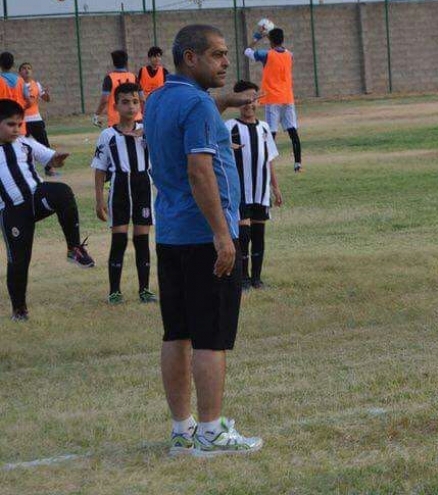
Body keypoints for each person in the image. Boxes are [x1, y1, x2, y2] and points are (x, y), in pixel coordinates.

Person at [143, 23, 262, 456]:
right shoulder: (196, 105)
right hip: (203, 237)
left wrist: (225, 101)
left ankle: (183, 429)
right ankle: (211, 433)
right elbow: (200, 170)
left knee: (176, 333)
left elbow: (193, 110)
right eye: (217, 54)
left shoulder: (158, 99)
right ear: (190, 58)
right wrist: (221, 235)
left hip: (171, 235)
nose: (226, 62)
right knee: (211, 337)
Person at [0, 99, 95, 320]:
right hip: (12, 210)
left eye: (19, 124)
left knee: (62, 192)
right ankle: (19, 309)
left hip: (35, 197)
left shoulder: (25, 143)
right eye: (10, 124)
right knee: (19, 261)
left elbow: (51, 160)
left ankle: (74, 248)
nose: (16, 129)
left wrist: (57, 159)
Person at [92, 82, 155, 305]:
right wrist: (99, 199)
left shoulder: (148, 131)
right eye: (125, 102)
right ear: (115, 105)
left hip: (142, 187)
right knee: (118, 239)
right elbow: (100, 169)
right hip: (119, 187)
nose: (131, 106)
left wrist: (147, 129)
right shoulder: (107, 136)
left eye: (135, 102)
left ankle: (145, 289)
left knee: (141, 239)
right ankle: (115, 291)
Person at [226, 80, 282, 290]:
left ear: (258, 101)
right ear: (237, 102)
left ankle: (257, 278)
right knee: (244, 235)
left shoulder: (265, 128)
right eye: (244, 100)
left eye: (253, 99)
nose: (249, 104)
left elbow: (269, 160)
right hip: (240, 192)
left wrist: (275, 188)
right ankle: (243, 279)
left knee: (259, 234)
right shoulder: (229, 127)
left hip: (260, 192)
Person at [245, 27, 301, 172]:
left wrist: (257, 38)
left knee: (271, 133)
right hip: (287, 98)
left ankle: (265, 163)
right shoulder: (290, 55)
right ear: (283, 39)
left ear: (270, 41)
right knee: (292, 131)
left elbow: (247, 51)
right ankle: (298, 163)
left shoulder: (266, 54)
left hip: (272, 99)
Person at [18, 62, 55, 176]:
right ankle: (21, 169)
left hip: (36, 119)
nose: (27, 70)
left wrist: (47, 94)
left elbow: (46, 99)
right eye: (24, 68)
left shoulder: (36, 85)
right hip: (22, 120)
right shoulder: (17, 85)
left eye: (29, 68)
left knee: (44, 144)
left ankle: (49, 168)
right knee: (20, 145)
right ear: (20, 72)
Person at [95, 50, 139, 128]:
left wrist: (97, 114)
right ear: (126, 62)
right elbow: (142, 99)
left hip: (116, 121)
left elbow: (104, 100)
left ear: (114, 62)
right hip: (135, 119)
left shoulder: (109, 78)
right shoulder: (133, 77)